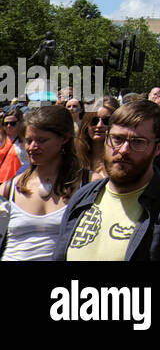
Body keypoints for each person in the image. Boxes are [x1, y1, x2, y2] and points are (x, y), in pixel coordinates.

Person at [57, 100, 160, 261]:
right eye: (117, 139)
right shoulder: (82, 197)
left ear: (158, 147)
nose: (124, 150)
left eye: (137, 142)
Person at [1, 106, 85, 261]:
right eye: (29, 140)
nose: (32, 147)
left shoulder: (87, 184)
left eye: (41, 141)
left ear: (64, 138)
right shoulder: (9, 188)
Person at [73, 97, 118, 183]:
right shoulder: (75, 155)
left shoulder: (120, 157)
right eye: (94, 120)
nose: (99, 125)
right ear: (87, 124)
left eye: (106, 120)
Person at [0, 108, 26, 184]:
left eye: (12, 123)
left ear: (20, 123)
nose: (9, 126)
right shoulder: (2, 139)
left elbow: (27, 165)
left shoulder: (25, 141)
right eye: (6, 123)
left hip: (12, 184)